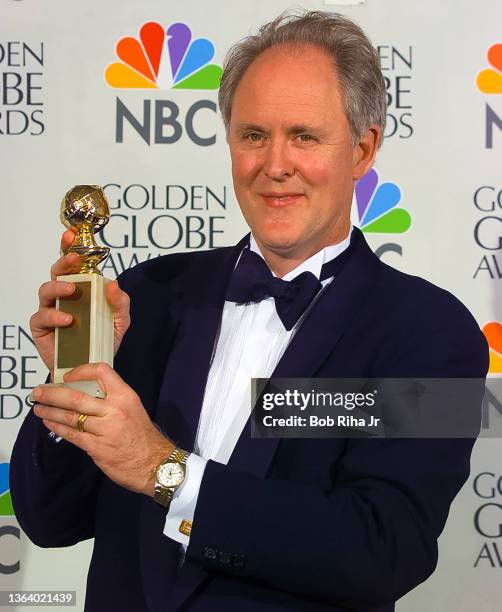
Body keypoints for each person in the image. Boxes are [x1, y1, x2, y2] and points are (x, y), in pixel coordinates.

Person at [10, 10, 488, 612]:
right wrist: (73, 377)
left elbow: (383, 548)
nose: (275, 164)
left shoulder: (433, 333)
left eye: (305, 136)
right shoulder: (147, 296)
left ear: (363, 148)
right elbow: (51, 520)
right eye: (253, 135)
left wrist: (165, 470)